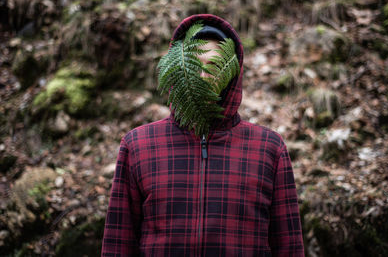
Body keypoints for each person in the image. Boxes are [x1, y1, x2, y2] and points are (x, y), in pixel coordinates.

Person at [101, 14, 304, 257]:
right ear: (177, 69)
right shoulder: (138, 146)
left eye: (214, 66)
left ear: (232, 74)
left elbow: (289, 247)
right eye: (194, 65)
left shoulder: (268, 148)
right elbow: (118, 244)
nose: (204, 76)